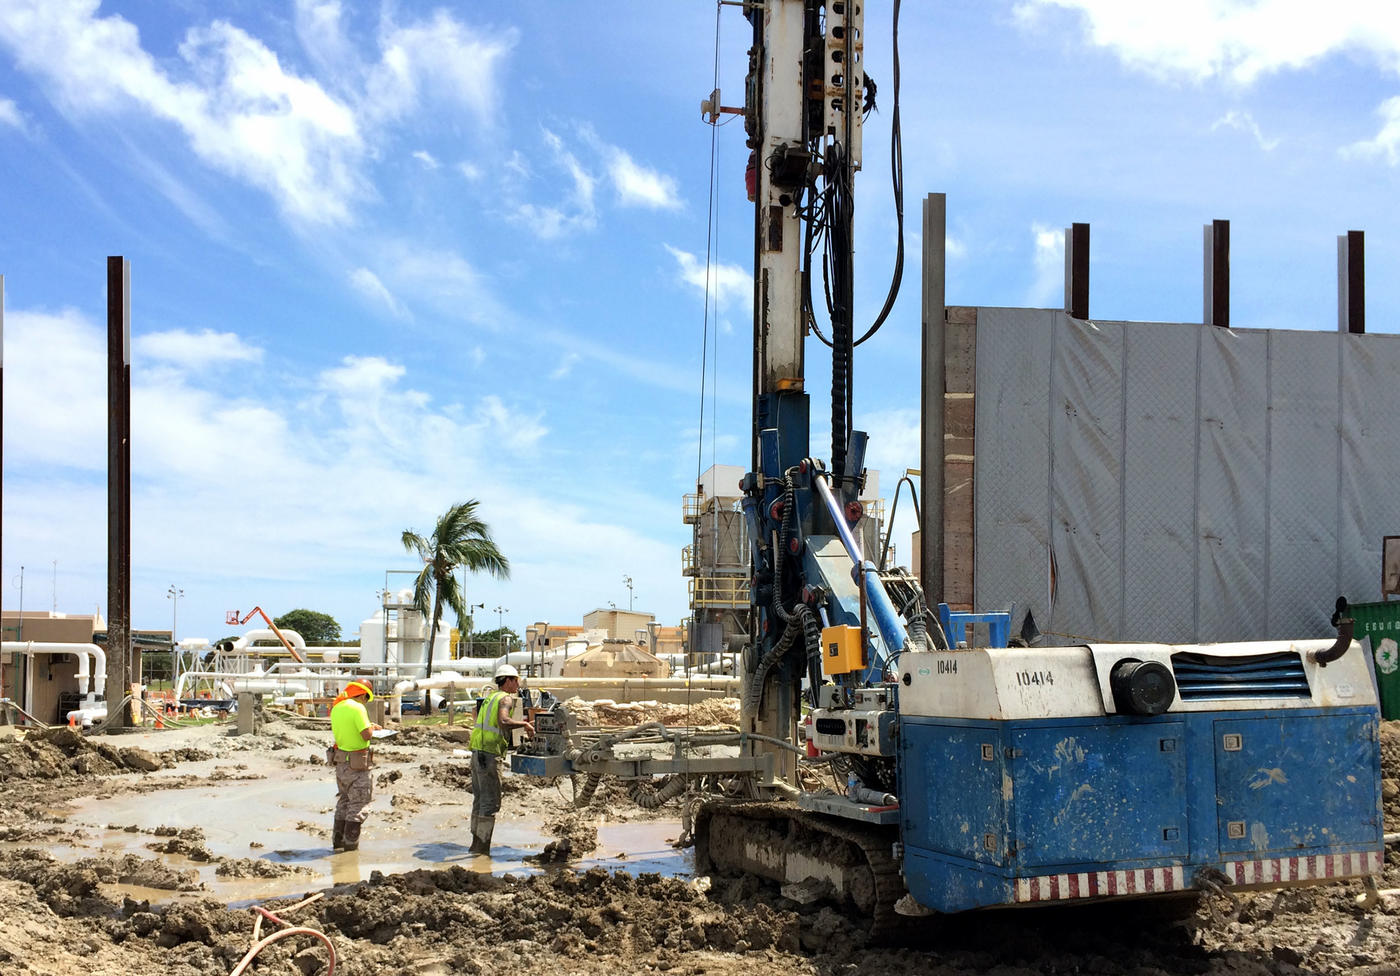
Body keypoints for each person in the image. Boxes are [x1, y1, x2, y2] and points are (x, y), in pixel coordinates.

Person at [468, 664, 535, 855]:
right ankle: (482, 850)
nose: (518, 684)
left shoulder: (490, 698)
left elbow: (477, 715)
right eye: (516, 680)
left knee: (479, 800)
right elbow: (503, 721)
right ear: (508, 680)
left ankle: (475, 846)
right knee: (490, 803)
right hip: (489, 753)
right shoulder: (505, 698)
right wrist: (524, 724)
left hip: (477, 751)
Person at [329, 680, 380, 852]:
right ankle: (350, 851)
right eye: (366, 699)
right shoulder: (358, 708)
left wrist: (369, 726)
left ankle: (338, 844)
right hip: (358, 764)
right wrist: (373, 730)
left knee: (344, 802)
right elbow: (366, 735)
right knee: (358, 805)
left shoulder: (337, 707)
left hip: (341, 763)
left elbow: (348, 730)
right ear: (363, 695)